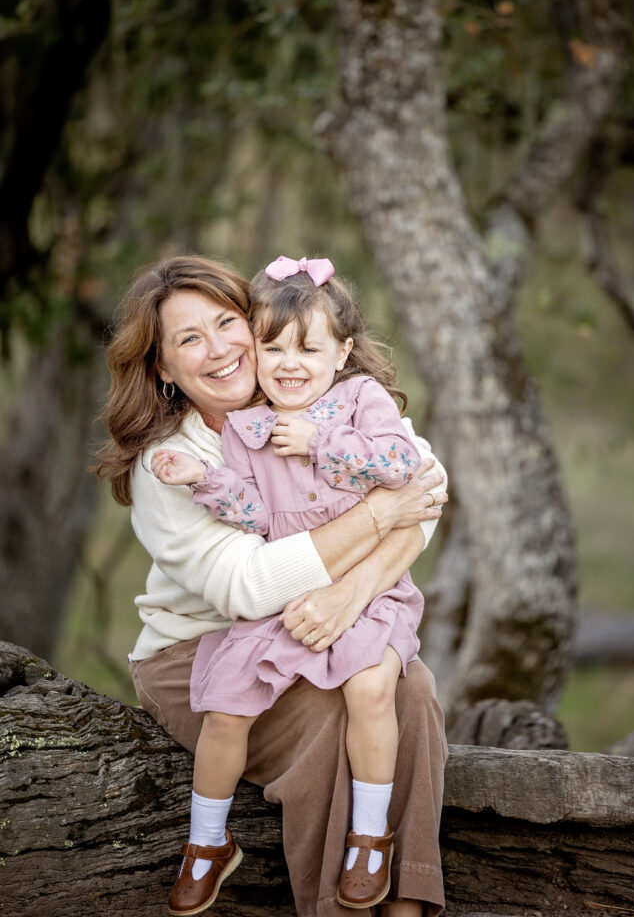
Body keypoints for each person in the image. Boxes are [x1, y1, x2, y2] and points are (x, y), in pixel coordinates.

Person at [96, 254, 448, 917]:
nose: (220, 348)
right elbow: (248, 589)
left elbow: (426, 485)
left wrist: (356, 588)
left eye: (226, 323)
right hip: (197, 646)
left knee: (408, 682)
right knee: (325, 714)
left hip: (321, 617)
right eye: (188, 339)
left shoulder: (304, 397)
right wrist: (376, 516)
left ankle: (402, 893)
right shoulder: (171, 459)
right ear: (163, 368)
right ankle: (332, 905)